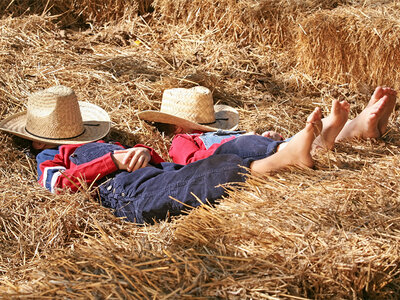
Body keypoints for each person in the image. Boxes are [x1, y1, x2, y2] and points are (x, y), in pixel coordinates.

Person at [0, 85, 396, 224]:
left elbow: (163, 160)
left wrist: (139, 153)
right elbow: (59, 186)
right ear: (37, 141)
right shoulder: (48, 159)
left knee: (236, 145)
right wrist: (114, 162)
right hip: (127, 196)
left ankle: (319, 139)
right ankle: (284, 157)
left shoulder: (105, 142)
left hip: (155, 174)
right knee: (200, 178)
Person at [139, 86, 397, 165]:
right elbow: (196, 163)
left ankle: (357, 127)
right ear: (177, 129)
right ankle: (345, 129)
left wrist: (264, 137)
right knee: (292, 143)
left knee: (281, 142)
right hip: (233, 157)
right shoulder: (181, 142)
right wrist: (236, 143)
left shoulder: (225, 134)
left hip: (253, 147)